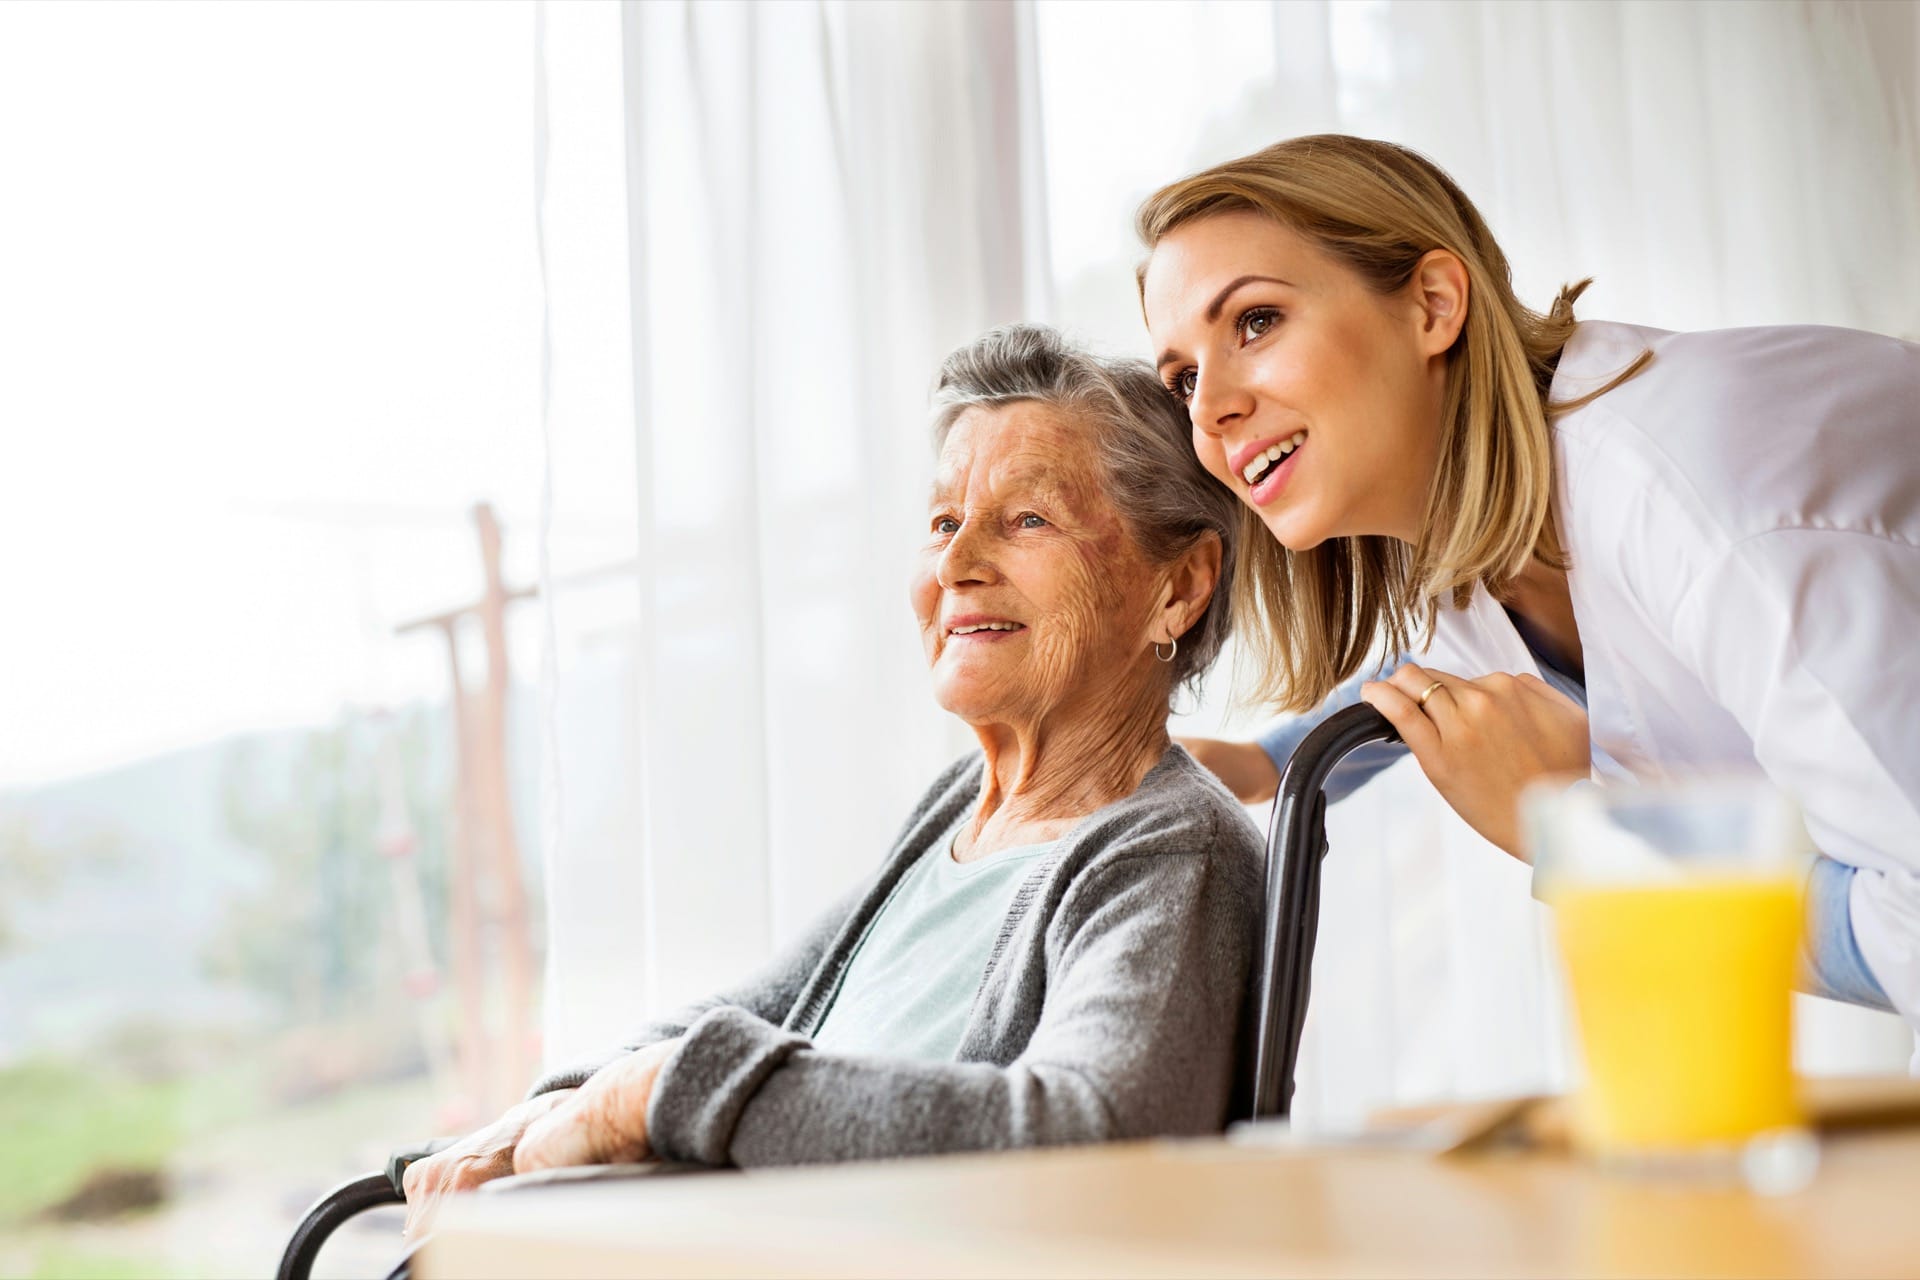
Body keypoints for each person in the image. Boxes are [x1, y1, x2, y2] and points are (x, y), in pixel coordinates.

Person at [400, 325, 1261, 1236]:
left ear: (1180, 586)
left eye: (1028, 520)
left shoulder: (1171, 852)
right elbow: (761, 1006)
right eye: (942, 523)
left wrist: (650, 1098)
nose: (955, 566)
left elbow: (1094, 1140)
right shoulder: (958, 814)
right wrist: (559, 1102)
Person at [1137, 134, 1920, 1035]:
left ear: (1433, 304)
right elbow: (1444, 671)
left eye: (1256, 321)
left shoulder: (1696, 496)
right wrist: (1265, 763)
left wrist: (1580, 836)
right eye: (1183, 377)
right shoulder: (1489, 542)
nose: (1208, 410)